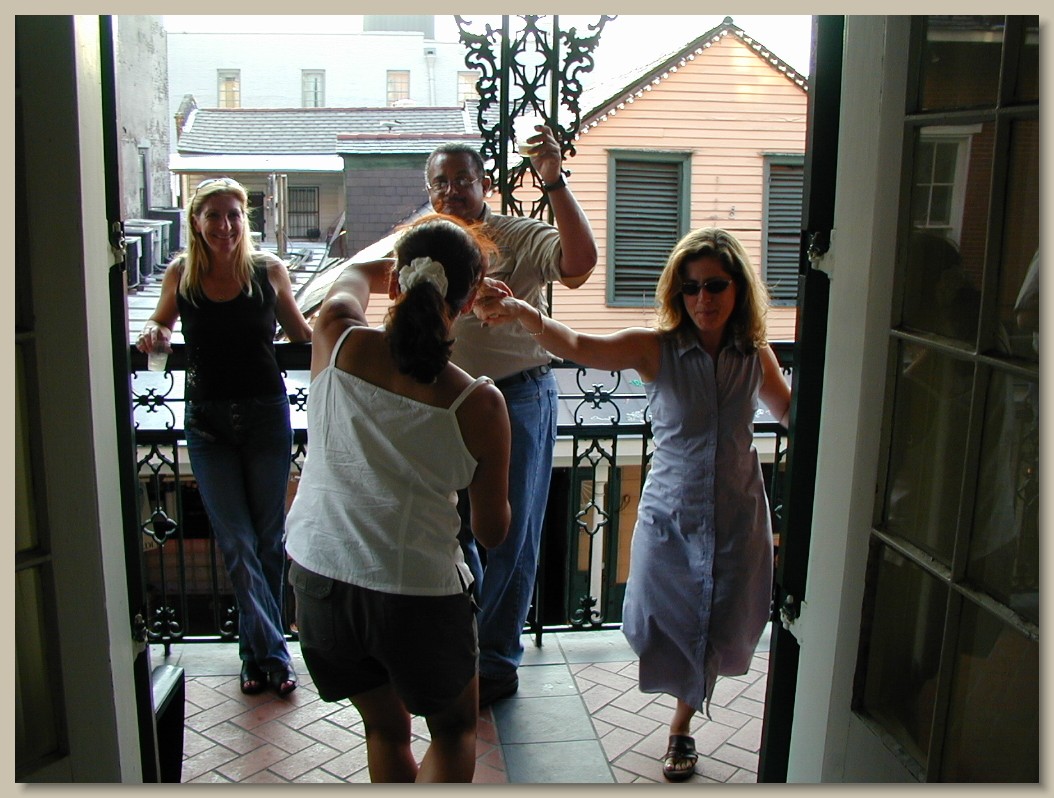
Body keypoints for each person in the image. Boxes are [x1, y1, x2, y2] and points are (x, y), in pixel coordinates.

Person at [476, 226, 791, 781]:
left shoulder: (754, 354)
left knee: (722, 617)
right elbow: (578, 347)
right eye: (691, 288)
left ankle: (681, 725)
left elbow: (789, 413)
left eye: (715, 285)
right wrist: (524, 313)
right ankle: (684, 704)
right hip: (672, 514)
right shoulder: (655, 347)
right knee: (663, 617)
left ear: (738, 288)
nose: (703, 299)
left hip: (739, 514)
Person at [283, 214, 512, 783]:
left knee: (384, 729)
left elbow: (351, 272)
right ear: (467, 302)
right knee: (454, 731)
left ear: (395, 281)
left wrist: (409, 257)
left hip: (321, 579)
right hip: (418, 596)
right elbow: (491, 532)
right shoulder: (478, 404)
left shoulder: (336, 337)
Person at [425, 122, 598, 707]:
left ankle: (495, 662)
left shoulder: (518, 235)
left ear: (484, 185)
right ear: (429, 190)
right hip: (445, 403)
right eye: (441, 182)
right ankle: (466, 644)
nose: (451, 191)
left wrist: (553, 180)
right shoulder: (423, 241)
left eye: (463, 180)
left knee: (511, 535)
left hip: (518, 398)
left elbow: (579, 262)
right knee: (450, 529)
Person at [136, 176, 313, 697]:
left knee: (267, 541)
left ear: (244, 220)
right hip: (206, 422)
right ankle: (276, 656)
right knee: (236, 542)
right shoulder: (182, 273)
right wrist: (156, 331)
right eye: (213, 215)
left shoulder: (268, 270)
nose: (225, 225)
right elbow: (161, 322)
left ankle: (253, 658)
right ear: (196, 221)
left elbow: (301, 335)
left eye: (234, 214)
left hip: (266, 417)